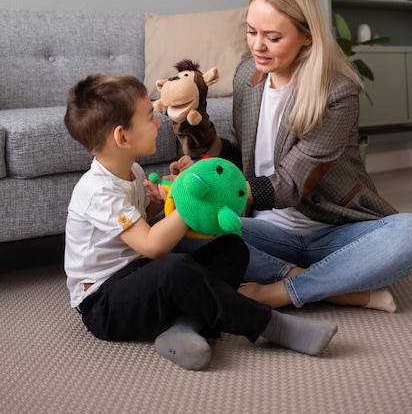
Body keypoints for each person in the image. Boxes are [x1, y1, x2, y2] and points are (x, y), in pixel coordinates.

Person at [63, 73, 338, 372]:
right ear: (122, 137)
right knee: (173, 267)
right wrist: (188, 203)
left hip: (135, 273)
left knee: (231, 248)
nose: (159, 122)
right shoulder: (98, 191)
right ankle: (271, 326)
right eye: (149, 117)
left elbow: (143, 224)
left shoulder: (133, 171)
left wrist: (164, 197)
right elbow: (152, 245)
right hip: (104, 303)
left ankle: (184, 327)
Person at [208, 0, 412, 312]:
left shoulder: (336, 91)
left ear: (307, 37)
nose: (257, 46)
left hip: (335, 232)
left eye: (272, 37)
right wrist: (203, 151)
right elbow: (241, 155)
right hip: (267, 233)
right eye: (251, 32)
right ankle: (339, 289)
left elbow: (290, 184)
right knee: (179, 229)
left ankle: (283, 290)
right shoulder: (248, 76)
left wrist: (217, 188)